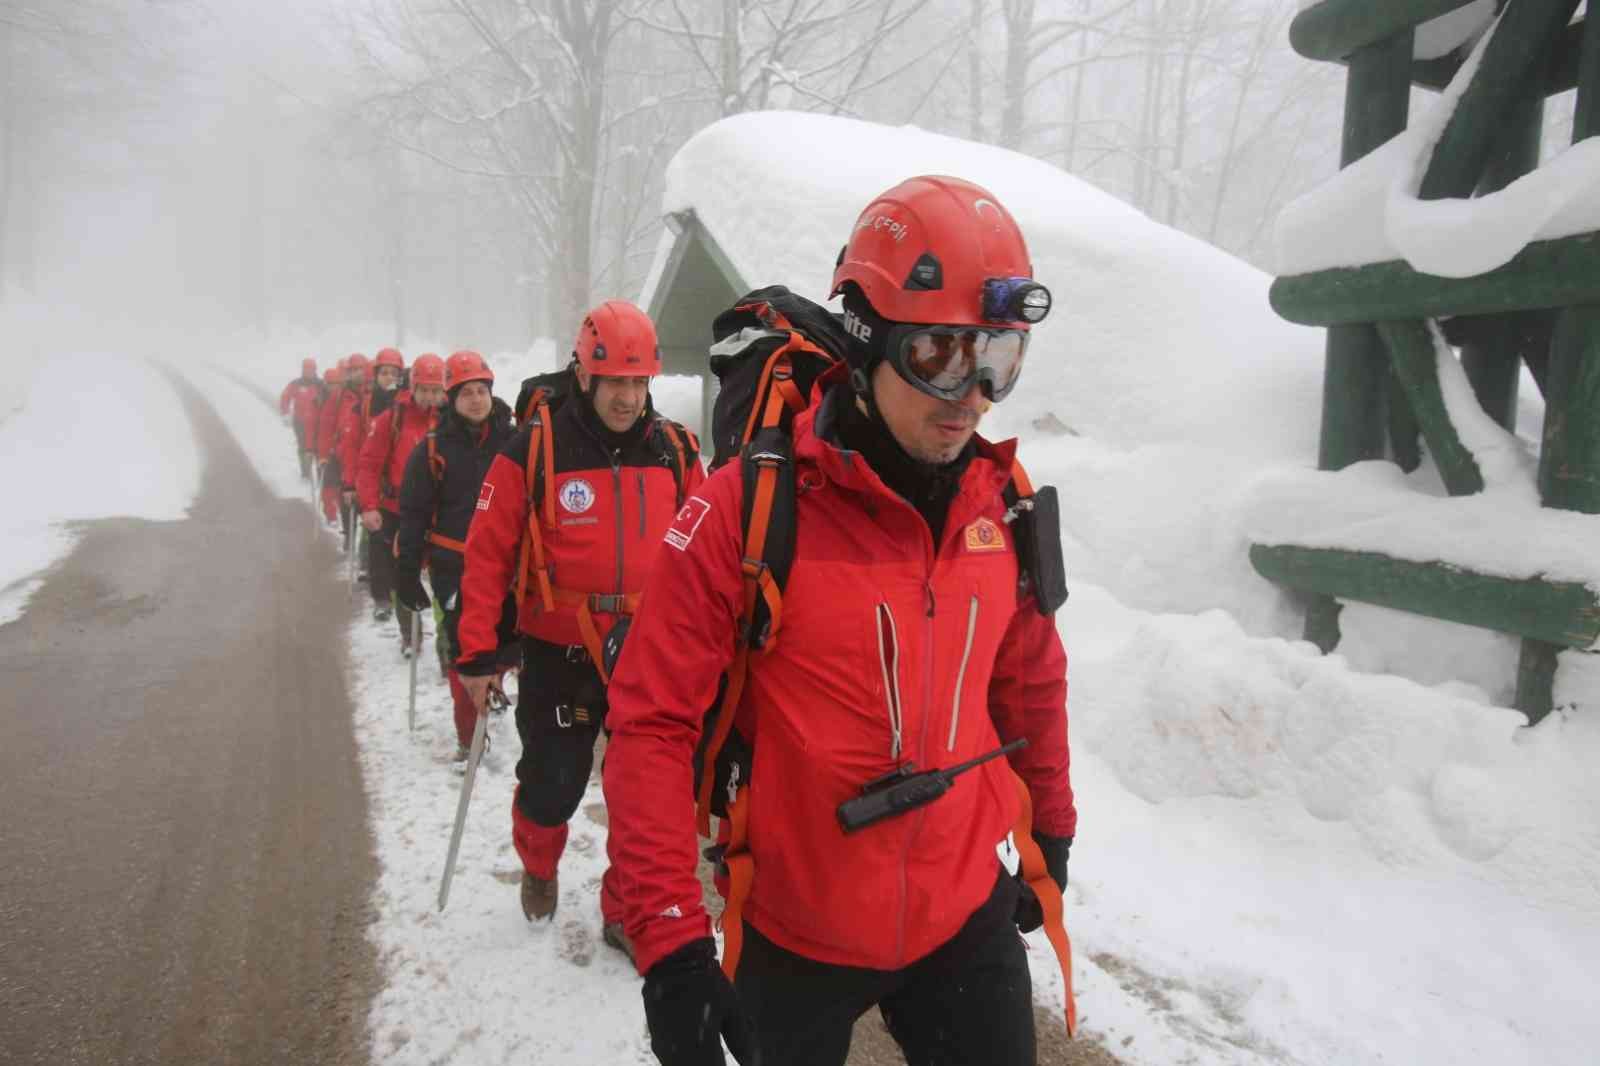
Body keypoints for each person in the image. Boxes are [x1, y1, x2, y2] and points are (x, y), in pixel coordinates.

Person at [600, 176, 1076, 1066]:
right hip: (797, 927)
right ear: (866, 341)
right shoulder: (745, 511)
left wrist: (1050, 822)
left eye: (999, 358)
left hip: (961, 909)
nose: (971, 393)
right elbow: (651, 724)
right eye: (940, 353)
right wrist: (670, 944)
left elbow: (1028, 678)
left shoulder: (1000, 504)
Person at [452, 301, 704, 949]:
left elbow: (707, 556)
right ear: (585, 377)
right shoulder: (533, 449)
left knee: (643, 799)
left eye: (639, 381)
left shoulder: (674, 450)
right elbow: (486, 556)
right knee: (552, 784)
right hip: (558, 651)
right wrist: (478, 655)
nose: (627, 397)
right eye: (614, 381)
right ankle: (538, 862)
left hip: (646, 654)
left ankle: (622, 909)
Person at [393, 351, 517, 758]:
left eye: (482, 390)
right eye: (467, 393)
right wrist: (406, 571)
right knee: (466, 652)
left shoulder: (514, 440)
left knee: (504, 645)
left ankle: (493, 690)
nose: (477, 400)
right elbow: (412, 514)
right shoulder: (432, 449)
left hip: (510, 567)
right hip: (454, 567)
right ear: (452, 397)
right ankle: (470, 738)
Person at [358, 352, 446, 643]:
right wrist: (369, 506)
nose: (430, 397)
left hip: (440, 511)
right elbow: (369, 464)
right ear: (413, 386)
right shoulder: (391, 419)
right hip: (398, 510)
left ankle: (449, 646)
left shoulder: (451, 419)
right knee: (403, 576)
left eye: (436, 390)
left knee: (443, 579)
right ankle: (410, 634)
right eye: (425, 390)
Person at [339, 350, 400, 578]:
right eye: (384, 372)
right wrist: (349, 483)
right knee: (372, 522)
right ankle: (370, 566)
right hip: (371, 474)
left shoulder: (409, 405)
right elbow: (351, 446)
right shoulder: (363, 407)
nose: (389, 377)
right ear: (375, 375)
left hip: (396, 478)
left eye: (394, 373)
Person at [315, 360, 350, 530]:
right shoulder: (319, 397)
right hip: (324, 447)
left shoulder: (346, 398)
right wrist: (320, 453)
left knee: (338, 486)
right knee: (328, 484)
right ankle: (330, 513)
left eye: (337, 383)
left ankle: (336, 511)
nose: (334, 386)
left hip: (340, 449)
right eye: (331, 384)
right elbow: (319, 426)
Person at [279, 358, 324, 478]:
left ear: (315, 370)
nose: (308, 371)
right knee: (303, 446)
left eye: (311, 369)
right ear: (302, 370)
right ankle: (305, 471)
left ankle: (320, 472)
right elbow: (285, 397)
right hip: (300, 421)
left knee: (318, 446)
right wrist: (285, 413)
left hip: (317, 421)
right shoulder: (296, 384)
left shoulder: (321, 384)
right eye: (306, 369)